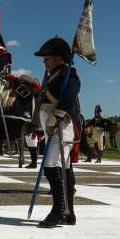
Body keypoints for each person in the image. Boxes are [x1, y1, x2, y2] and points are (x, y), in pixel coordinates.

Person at [33, 37, 80, 228]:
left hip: (63, 126)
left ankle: (58, 211)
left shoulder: (69, 76)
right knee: (65, 168)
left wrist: (54, 119)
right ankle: (69, 213)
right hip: (52, 127)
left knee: (51, 166)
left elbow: (68, 100)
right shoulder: (52, 76)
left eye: (48, 58)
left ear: (60, 59)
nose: (44, 62)